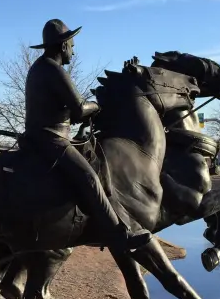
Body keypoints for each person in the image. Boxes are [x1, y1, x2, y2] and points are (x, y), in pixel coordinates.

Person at [21, 19, 152, 251]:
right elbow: (80, 109)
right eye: (71, 44)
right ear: (62, 46)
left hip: (38, 136)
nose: (73, 49)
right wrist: (97, 106)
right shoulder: (53, 69)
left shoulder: (39, 68)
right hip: (51, 139)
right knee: (89, 177)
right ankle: (118, 234)